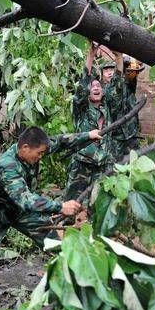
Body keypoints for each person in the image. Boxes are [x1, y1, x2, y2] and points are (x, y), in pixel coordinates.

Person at [0, 126, 102, 290]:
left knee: (56, 243)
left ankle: (82, 283)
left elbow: (59, 141)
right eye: (39, 153)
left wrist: (88, 135)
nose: (41, 156)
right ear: (25, 148)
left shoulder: (35, 148)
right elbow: (25, 199)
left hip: (21, 213)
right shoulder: (7, 165)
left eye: (43, 152)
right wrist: (60, 206)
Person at [64, 42, 114, 204]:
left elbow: (118, 85)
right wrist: (90, 56)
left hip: (103, 165)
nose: (96, 88)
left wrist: (119, 57)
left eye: (98, 85)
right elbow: (82, 85)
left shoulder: (108, 107)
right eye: (92, 87)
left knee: (99, 205)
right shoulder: (81, 108)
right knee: (73, 205)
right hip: (82, 165)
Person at [105, 52, 145, 160]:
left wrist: (133, 62)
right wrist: (119, 57)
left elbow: (133, 74)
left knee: (137, 169)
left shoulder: (128, 86)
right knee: (116, 171)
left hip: (132, 135)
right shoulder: (104, 91)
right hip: (116, 139)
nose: (109, 73)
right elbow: (116, 82)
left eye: (111, 70)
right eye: (106, 70)